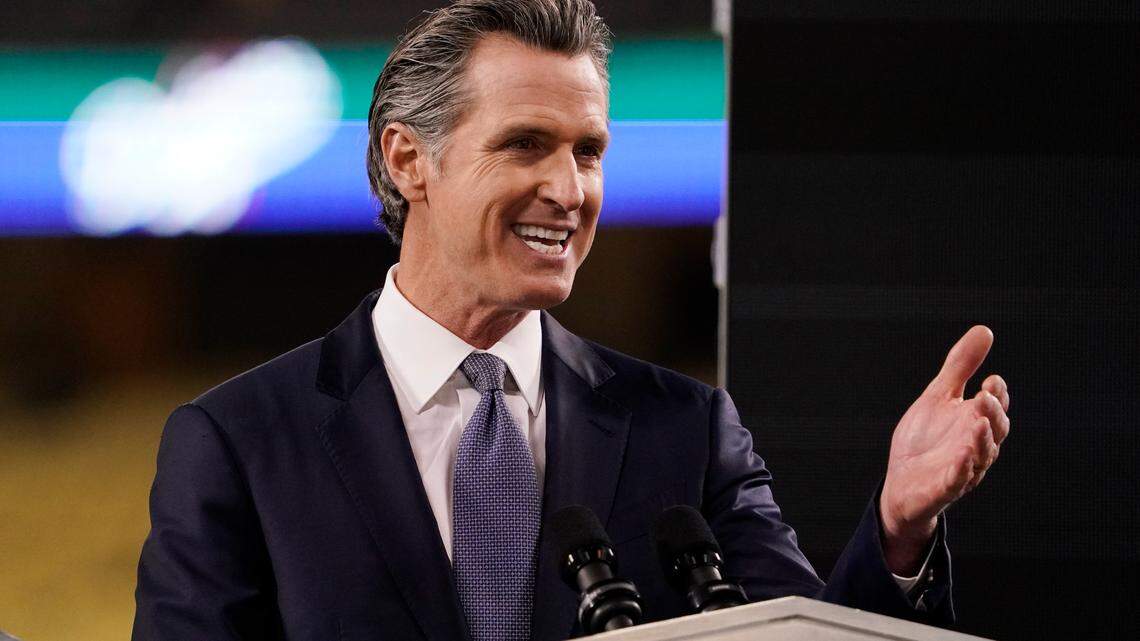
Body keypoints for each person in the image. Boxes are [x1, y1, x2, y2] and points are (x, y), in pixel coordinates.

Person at [132, 1, 1012, 640]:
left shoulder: (686, 429)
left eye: (588, 151)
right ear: (411, 160)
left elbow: (797, 636)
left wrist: (897, 527)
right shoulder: (240, 441)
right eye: (525, 144)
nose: (569, 190)